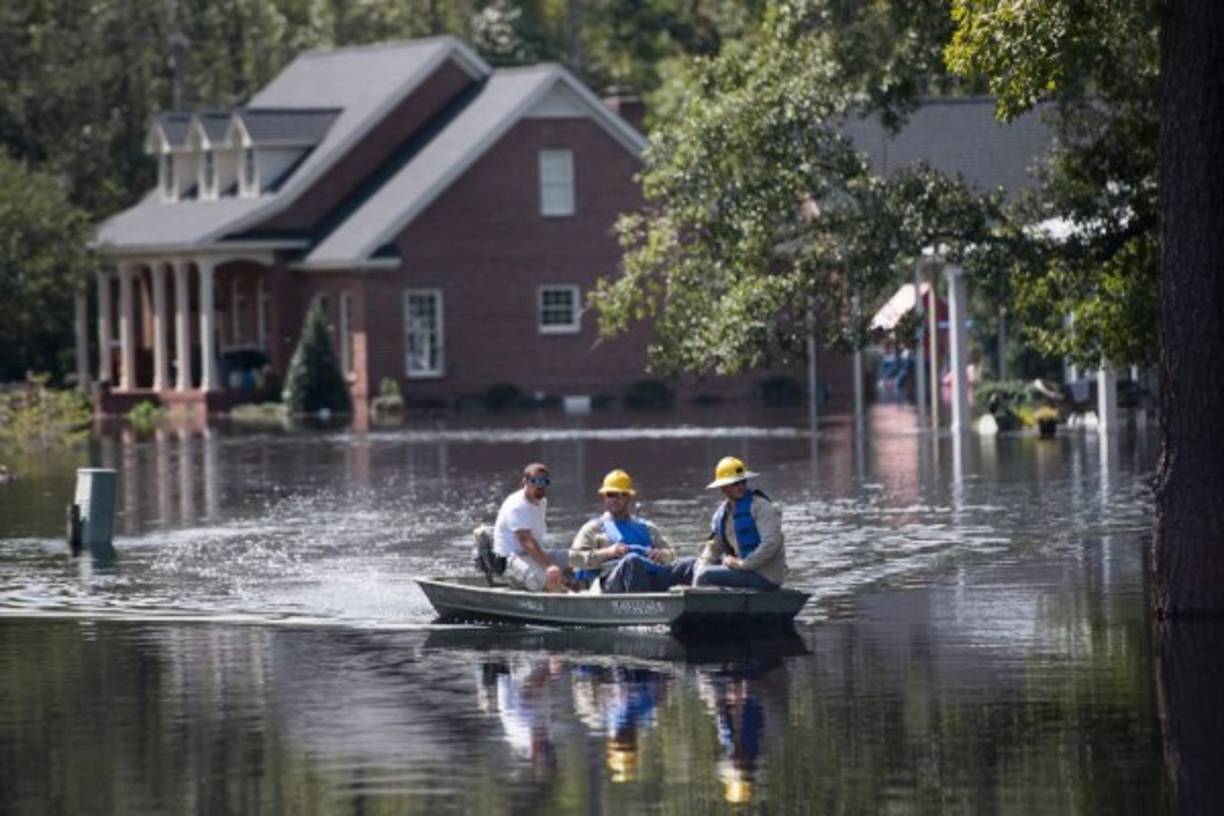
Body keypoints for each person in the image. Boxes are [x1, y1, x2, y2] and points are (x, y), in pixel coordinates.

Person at [570, 469, 696, 593]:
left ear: (629, 497)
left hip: (651, 579)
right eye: (611, 494)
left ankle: (697, 602)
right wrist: (608, 553)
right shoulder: (593, 529)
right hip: (613, 582)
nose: (615, 499)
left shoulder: (647, 528)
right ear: (604, 497)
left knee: (691, 564)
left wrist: (662, 554)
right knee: (632, 561)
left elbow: (672, 554)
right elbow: (575, 559)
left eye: (621, 495)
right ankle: (639, 602)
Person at [695, 456, 786, 590]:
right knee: (695, 568)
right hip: (743, 570)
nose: (741, 486)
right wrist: (700, 569)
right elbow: (714, 549)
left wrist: (743, 564)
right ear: (722, 487)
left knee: (705, 576)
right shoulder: (722, 514)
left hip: (764, 576)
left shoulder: (762, 507)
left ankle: (701, 600)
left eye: (743, 481)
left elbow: (771, 544)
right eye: (735, 483)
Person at [494, 462, 569, 592]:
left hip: (532, 555)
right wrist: (549, 567)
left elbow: (536, 541)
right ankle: (555, 593)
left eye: (544, 481)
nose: (540, 486)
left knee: (576, 559)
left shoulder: (542, 501)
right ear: (525, 481)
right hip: (511, 558)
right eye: (536, 481)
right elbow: (526, 541)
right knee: (546, 579)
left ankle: (577, 586)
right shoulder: (517, 505)